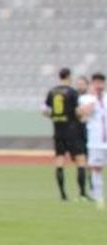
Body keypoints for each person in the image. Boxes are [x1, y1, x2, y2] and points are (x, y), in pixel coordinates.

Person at [44, 67, 90, 202]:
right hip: (72, 131)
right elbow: (78, 111)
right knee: (81, 160)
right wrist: (83, 115)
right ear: (69, 76)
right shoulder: (72, 92)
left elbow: (45, 111)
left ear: (59, 76)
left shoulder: (52, 92)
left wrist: (55, 117)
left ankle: (63, 195)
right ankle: (82, 194)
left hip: (58, 131)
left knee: (59, 161)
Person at [78, 73, 106, 210]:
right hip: (96, 141)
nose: (99, 85)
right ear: (92, 84)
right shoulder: (86, 99)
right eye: (96, 83)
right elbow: (83, 115)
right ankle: (99, 198)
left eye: (101, 82)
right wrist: (95, 100)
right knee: (96, 168)